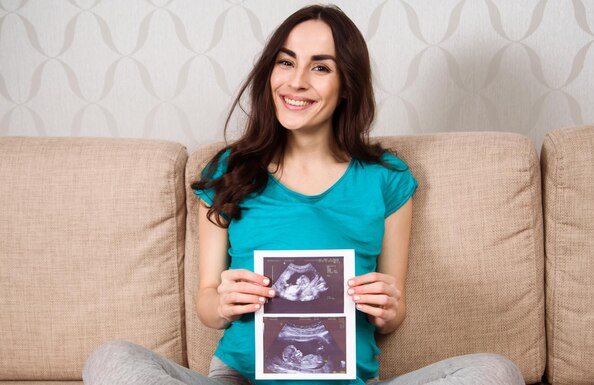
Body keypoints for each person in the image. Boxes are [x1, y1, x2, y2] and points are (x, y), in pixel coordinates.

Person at [83, 4, 525, 385]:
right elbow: (206, 303)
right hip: (242, 377)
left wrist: (387, 306)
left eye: (320, 67)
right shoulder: (229, 171)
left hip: (346, 376)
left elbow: (392, 316)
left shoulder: (386, 179)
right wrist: (220, 300)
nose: (296, 82)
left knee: (496, 370)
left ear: (346, 83)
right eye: (285, 62)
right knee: (111, 358)